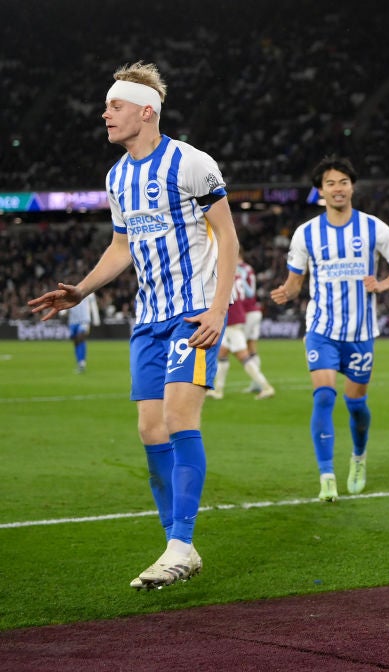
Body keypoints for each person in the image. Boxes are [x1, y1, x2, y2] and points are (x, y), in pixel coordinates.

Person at [28, 61, 239, 590]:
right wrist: (81, 288)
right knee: (150, 429)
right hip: (147, 319)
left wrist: (219, 308)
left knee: (179, 417)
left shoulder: (192, 163)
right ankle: (177, 545)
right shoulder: (117, 176)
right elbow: (122, 247)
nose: (104, 115)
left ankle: (180, 542)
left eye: (113, 106)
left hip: (191, 313)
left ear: (146, 111)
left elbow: (230, 240)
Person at [271, 155, 389, 500]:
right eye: (330, 183)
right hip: (322, 329)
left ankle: (358, 457)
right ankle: (326, 476)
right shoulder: (307, 233)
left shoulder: (374, 228)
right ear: (320, 190)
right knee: (323, 396)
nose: (337, 188)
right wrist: (286, 292)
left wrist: (381, 284)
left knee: (355, 403)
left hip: (361, 333)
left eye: (343, 182)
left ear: (352, 187)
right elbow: (295, 282)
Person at [207, 252, 275, 400]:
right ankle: (218, 390)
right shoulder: (235, 274)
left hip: (231, 318)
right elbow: (247, 294)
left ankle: (266, 387)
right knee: (222, 353)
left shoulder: (219, 274)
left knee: (243, 355)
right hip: (237, 315)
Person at [239, 250, 267, 392]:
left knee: (238, 347)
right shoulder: (248, 268)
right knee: (251, 347)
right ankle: (257, 384)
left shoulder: (239, 269)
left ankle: (261, 383)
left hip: (248, 312)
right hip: (254, 311)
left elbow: (248, 292)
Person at [66, 292, 100, 373]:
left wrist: (96, 320)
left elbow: (93, 306)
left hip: (84, 320)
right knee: (76, 342)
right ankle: (79, 362)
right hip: (73, 321)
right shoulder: (69, 292)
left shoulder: (89, 292)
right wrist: (62, 312)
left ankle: (82, 363)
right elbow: (66, 304)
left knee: (80, 337)